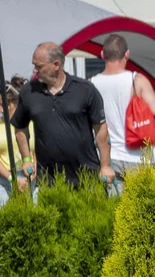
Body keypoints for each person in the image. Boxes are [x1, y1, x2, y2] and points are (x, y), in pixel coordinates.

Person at [10, 43, 110, 189]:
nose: (34, 70)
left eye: (39, 66)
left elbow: (100, 128)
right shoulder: (29, 92)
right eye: (34, 65)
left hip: (87, 177)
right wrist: (26, 159)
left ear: (56, 65)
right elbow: (20, 127)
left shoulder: (85, 90)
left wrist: (105, 165)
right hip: (49, 180)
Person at [92, 33, 155, 187]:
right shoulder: (137, 80)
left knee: (113, 208)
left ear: (102, 54)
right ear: (127, 54)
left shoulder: (91, 83)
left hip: (107, 159)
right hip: (138, 157)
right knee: (139, 208)